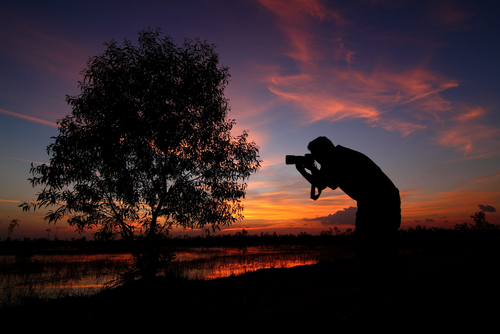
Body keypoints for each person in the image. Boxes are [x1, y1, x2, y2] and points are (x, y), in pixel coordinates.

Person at [295, 136, 401, 306]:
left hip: (377, 202)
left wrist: (302, 170)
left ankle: (374, 298)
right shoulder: (339, 155)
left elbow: (322, 183)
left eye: (316, 155)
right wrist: (313, 169)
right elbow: (327, 181)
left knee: (369, 252)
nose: (316, 159)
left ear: (324, 151)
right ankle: (387, 294)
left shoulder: (336, 158)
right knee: (384, 250)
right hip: (383, 199)